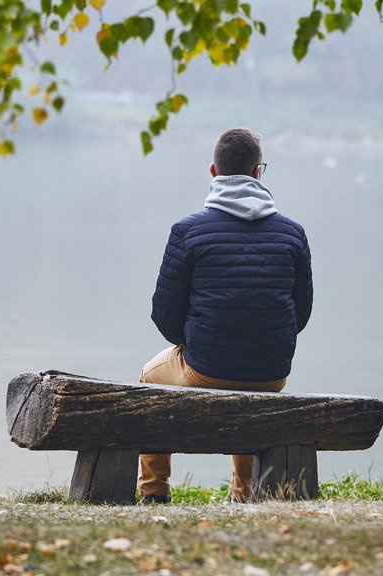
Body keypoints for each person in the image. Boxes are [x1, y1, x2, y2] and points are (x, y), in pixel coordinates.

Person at [137, 127, 314, 504]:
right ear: (258, 173)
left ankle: (153, 491)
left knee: (148, 378)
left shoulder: (188, 231)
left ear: (213, 172)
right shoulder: (292, 234)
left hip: (205, 368)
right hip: (272, 373)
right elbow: (301, 314)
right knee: (246, 378)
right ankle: (244, 494)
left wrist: (195, 338)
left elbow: (164, 315)